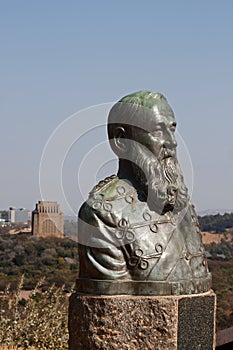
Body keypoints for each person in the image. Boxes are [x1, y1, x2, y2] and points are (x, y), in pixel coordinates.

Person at [77, 91, 211, 295]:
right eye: (157, 131)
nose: (172, 142)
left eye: (172, 130)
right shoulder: (101, 214)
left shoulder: (183, 205)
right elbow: (115, 306)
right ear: (122, 140)